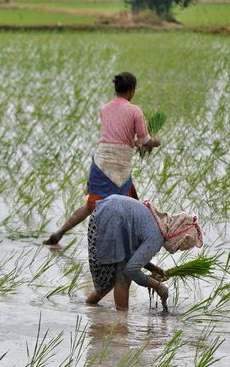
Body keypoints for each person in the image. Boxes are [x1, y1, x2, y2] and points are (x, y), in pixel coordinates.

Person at [45, 72, 161, 245]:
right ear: (131, 91)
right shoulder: (135, 110)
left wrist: (134, 143)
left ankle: (60, 232)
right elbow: (144, 140)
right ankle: (132, 244)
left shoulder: (105, 108)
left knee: (91, 205)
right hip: (119, 166)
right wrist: (155, 142)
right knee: (129, 207)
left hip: (100, 162)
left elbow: (116, 137)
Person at [86, 194, 202, 311]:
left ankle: (90, 305)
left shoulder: (159, 223)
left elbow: (132, 256)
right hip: (110, 218)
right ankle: (122, 321)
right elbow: (131, 270)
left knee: (112, 278)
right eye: (179, 246)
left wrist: (154, 269)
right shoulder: (156, 237)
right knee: (123, 276)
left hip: (106, 211)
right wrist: (157, 286)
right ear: (178, 236)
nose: (177, 249)